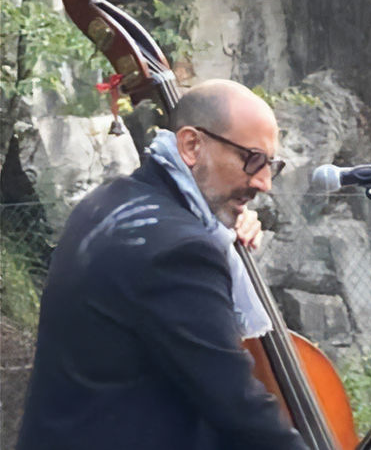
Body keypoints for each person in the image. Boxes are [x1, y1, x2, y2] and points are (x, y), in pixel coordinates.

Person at [18, 80, 307, 450]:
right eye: (252, 160)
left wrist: (222, 227)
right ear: (191, 146)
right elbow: (240, 408)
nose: (264, 183)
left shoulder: (107, 202)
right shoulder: (181, 252)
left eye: (271, 165)